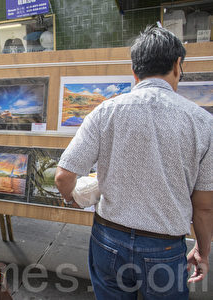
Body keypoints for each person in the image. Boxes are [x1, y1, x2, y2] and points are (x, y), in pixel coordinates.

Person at [55, 26, 212, 300]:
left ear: (134, 70)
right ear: (177, 66)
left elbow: (63, 176)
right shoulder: (202, 123)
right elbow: (205, 206)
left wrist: (72, 197)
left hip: (107, 239)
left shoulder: (106, 111)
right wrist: (202, 249)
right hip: (164, 247)